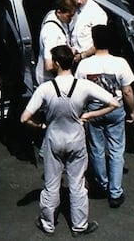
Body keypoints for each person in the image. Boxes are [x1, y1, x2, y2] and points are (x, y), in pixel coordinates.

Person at [21, 45, 120, 237]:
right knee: (77, 184)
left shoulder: (45, 89)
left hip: (54, 139)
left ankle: (48, 223)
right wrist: (90, 114)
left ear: (56, 63)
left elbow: (24, 118)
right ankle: (79, 225)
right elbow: (114, 103)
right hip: (76, 139)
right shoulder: (83, 86)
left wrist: (40, 126)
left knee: (51, 184)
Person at [75, 25, 134, 208]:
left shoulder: (84, 65)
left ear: (94, 41)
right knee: (117, 150)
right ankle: (115, 192)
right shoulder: (120, 63)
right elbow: (127, 91)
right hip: (114, 109)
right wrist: (132, 111)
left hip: (93, 110)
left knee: (96, 148)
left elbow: (79, 90)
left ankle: (101, 184)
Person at [36, 0, 77, 84]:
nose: (71, 20)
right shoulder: (51, 32)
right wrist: (69, 58)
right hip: (50, 81)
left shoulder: (53, 15)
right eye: (68, 16)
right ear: (59, 12)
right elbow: (49, 65)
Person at [69, 0, 108, 64]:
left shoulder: (97, 13)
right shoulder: (71, 8)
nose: (79, 1)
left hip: (89, 59)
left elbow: (99, 42)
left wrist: (83, 55)